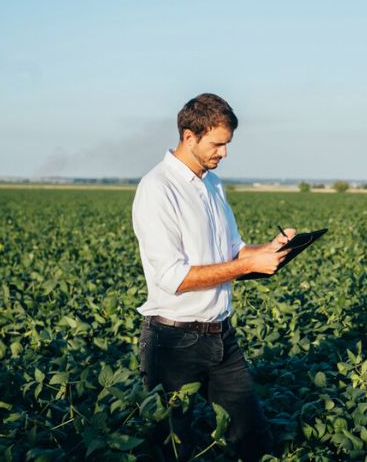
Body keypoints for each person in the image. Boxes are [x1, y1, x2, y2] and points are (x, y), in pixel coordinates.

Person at [132, 93, 294, 461]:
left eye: (227, 144)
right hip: (173, 341)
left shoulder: (213, 185)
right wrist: (246, 267)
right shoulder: (158, 189)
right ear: (189, 136)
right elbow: (172, 277)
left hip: (222, 336)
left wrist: (271, 250)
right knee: (171, 447)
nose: (224, 153)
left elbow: (233, 252)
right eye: (217, 144)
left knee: (254, 439)